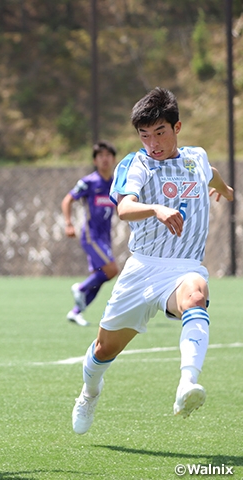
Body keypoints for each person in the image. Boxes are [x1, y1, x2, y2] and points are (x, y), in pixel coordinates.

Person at [71, 87, 234, 435]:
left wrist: (226, 189)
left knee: (196, 295)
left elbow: (211, 172)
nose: (153, 143)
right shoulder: (136, 162)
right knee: (103, 349)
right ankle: (89, 392)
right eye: (145, 135)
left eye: (160, 133)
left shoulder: (196, 158)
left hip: (183, 267)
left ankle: (186, 384)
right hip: (142, 269)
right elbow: (125, 207)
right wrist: (157, 208)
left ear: (177, 128)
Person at [61, 141, 119, 326]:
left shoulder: (116, 183)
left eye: (108, 155)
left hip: (105, 237)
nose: (105, 159)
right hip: (91, 236)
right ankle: (80, 287)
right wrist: (69, 224)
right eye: (100, 156)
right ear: (95, 160)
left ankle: (76, 312)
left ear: (113, 159)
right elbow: (67, 200)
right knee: (112, 270)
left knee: (101, 277)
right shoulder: (89, 182)